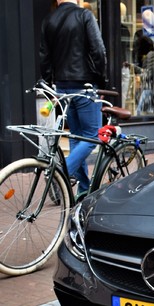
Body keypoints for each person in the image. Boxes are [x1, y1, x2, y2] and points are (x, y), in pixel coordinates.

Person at [40, 0, 107, 196]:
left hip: (62, 87)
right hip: (85, 85)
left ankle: (83, 191)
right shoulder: (84, 15)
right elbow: (99, 50)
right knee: (93, 136)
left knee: (77, 138)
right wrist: (101, 81)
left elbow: (44, 56)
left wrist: (50, 84)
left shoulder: (49, 20)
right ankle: (61, 172)